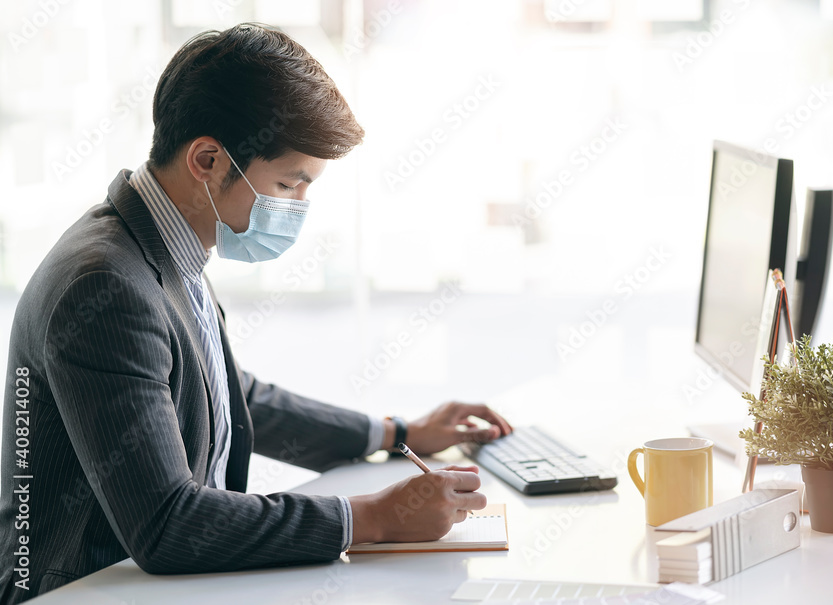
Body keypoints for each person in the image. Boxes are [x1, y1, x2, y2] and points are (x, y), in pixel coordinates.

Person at [0, 23, 512, 604]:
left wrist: (397, 433)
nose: (299, 206)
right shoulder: (107, 283)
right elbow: (167, 526)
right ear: (209, 160)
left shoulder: (162, 246)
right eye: (289, 183)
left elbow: (231, 396)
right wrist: (369, 518)